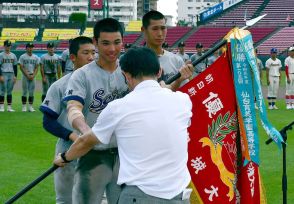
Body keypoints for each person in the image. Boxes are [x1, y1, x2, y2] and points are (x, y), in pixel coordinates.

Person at [54, 46, 193, 204]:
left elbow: (87, 141)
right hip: (178, 196)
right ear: (159, 71)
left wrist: (65, 157)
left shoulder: (118, 107)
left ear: (126, 75)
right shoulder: (183, 101)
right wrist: (170, 85)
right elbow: (160, 102)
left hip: (139, 196)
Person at [63, 18, 129, 204]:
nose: (112, 49)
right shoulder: (82, 75)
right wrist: (86, 131)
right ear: (95, 42)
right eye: (105, 43)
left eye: (117, 43)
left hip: (126, 154)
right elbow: (73, 108)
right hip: (93, 153)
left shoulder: (130, 70)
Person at [40, 36, 95, 203]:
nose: (91, 57)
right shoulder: (59, 85)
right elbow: (48, 121)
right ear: (72, 57)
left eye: (93, 52)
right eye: (86, 53)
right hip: (68, 147)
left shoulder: (102, 82)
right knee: (66, 199)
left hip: (97, 148)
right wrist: (72, 136)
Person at [141, 10, 193, 89]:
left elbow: (184, 90)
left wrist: (180, 81)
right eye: (155, 29)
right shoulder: (135, 61)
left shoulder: (176, 60)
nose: (160, 34)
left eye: (163, 28)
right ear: (143, 30)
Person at [18, 42, 40, 112]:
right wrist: (27, 75)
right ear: (26, 48)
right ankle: (24, 106)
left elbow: (37, 67)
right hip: (25, 76)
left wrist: (34, 75)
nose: (30, 48)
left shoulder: (36, 57)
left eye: (31, 47)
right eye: (29, 47)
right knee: (24, 91)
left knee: (31, 92)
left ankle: (30, 106)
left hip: (32, 76)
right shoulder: (22, 56)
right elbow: (21, 67)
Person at [0, 40, 18, 112]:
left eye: (9, 45)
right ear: (4, 46)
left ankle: (9, 107)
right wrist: (0, 75)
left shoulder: (13, 55)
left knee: (10, 91)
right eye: (7, 45)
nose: (8, 47)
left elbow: (15, 66)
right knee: (2, 90)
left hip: (11, 74)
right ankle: (1, 107)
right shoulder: (1, 55)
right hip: (3, 73)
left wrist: (15, 76)